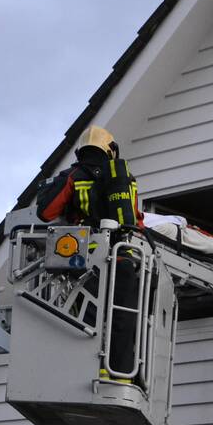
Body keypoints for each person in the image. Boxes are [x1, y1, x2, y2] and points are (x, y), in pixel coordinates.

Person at [37, 126, 143, 383]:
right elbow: (136, 221)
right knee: (124, 317)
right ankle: (122, 375)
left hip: (90, 261)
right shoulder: (125, 177)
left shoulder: (74, 175)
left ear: (81, 150)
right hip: (124, 258)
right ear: (111, 150)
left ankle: (93, 370)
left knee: (89, 318)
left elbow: (47, 212)